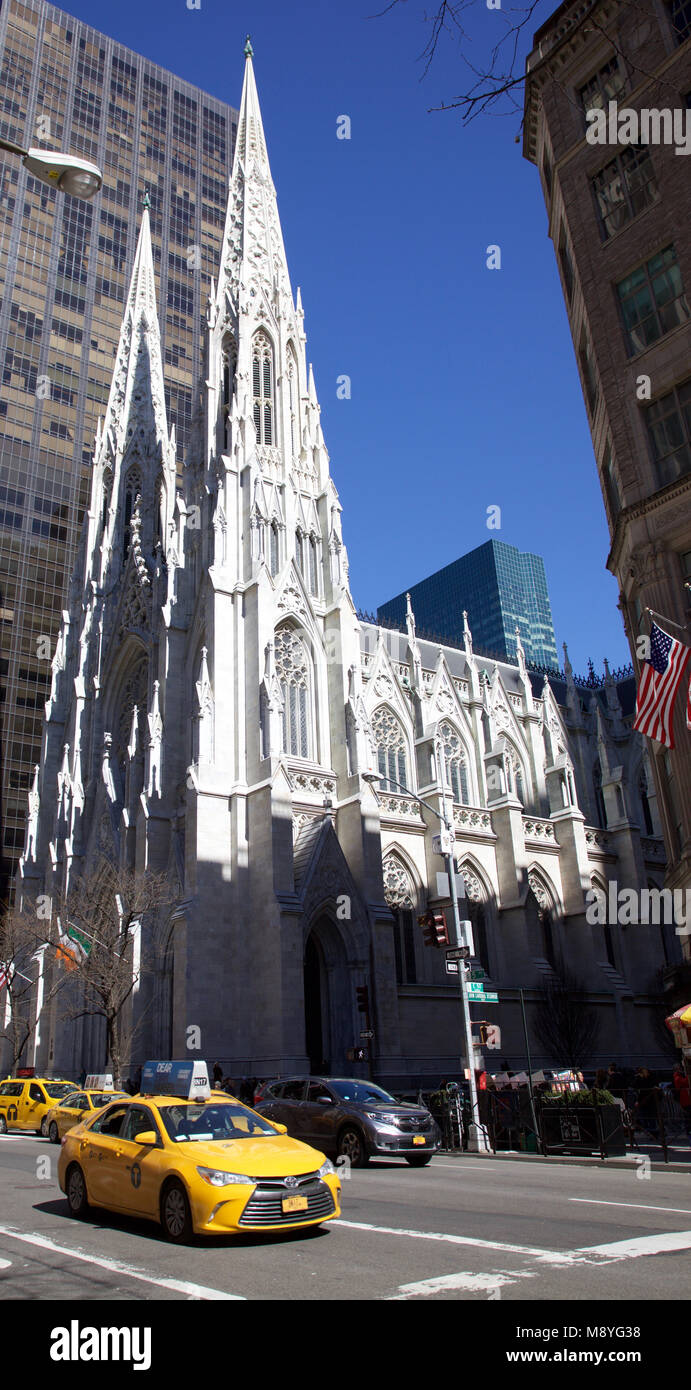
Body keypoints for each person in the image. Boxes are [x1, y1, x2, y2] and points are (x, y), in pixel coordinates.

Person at [672, 1064, 691, 1137]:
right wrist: (688, 1076)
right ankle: (688, 1130)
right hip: (684, 1099)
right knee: (688, 1115)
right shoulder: (677, 1076)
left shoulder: (681, 1075)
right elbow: (685, 1082)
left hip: (686, 1098)